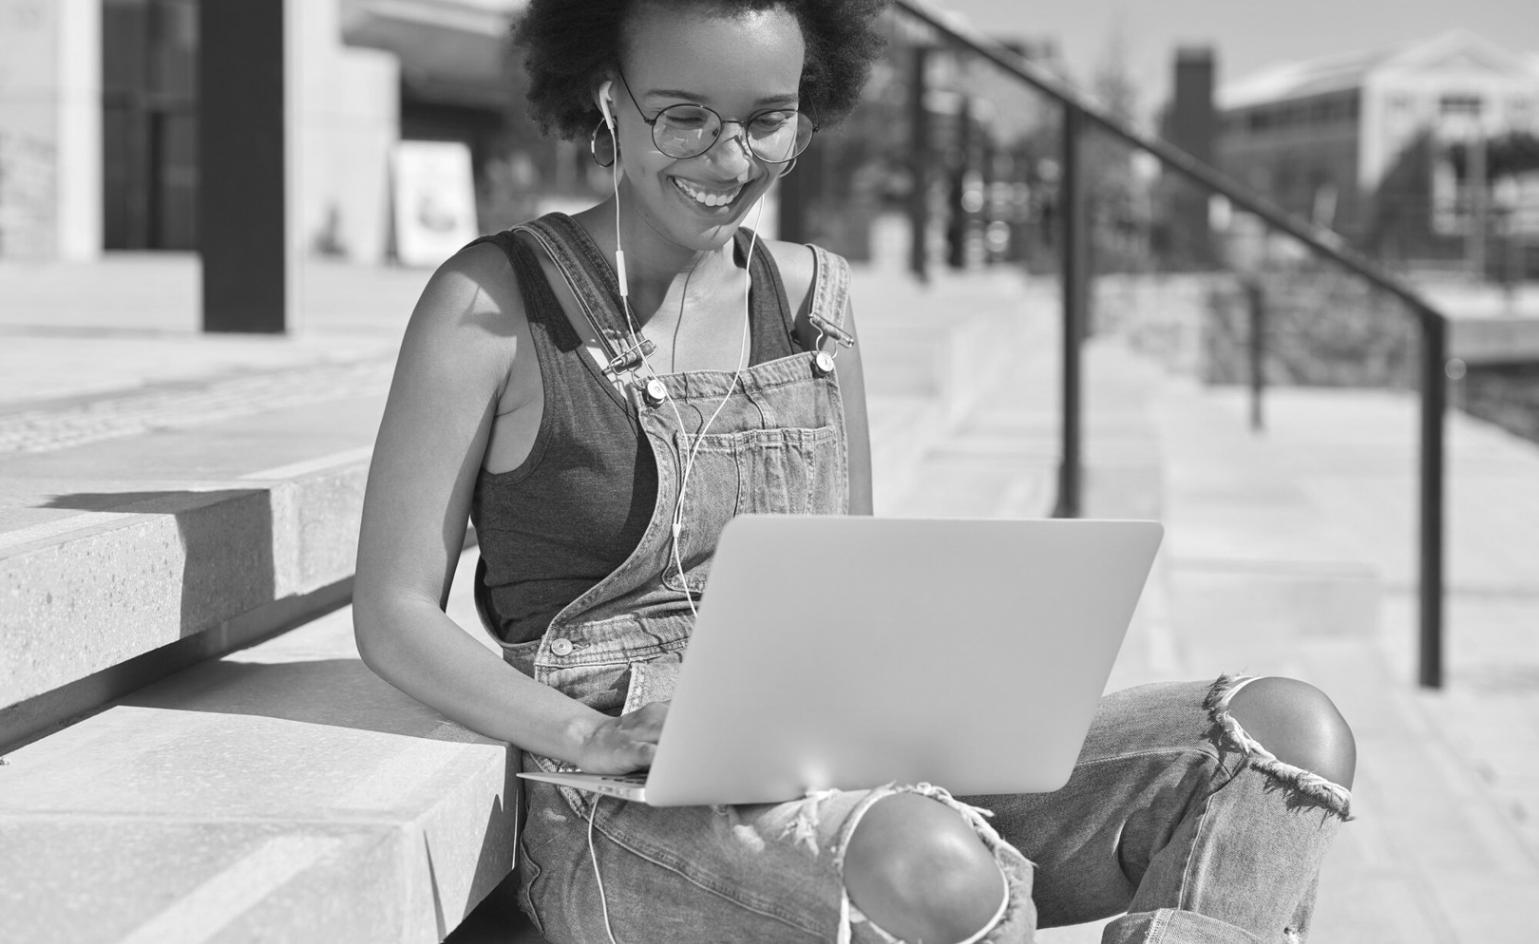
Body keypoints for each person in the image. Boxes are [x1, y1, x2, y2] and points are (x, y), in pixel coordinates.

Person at [353, 1, 1358, 941]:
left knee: (1279, 735)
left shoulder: (812, 304)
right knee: (933, 865)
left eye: (767, 120)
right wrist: (587, 735)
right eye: (684, 117)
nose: (730, 158)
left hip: (825, 745)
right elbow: (393, 611)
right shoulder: (490, 305)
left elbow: (853, 584)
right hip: (619, 798)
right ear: (605, 96)